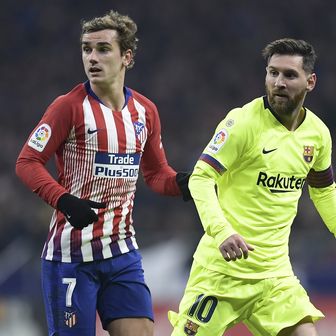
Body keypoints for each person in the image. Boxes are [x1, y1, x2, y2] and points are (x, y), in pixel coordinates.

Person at [16, 9, 190, 336]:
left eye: (102, 49)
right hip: (71, 256)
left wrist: (183, 183)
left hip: (123, 253)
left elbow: (155, 174)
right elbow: (26, 162)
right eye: (86, 49)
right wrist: (64, 201)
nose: (92, 57)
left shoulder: (145, 111)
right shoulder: (67, 107)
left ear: (126, 57)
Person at [169, 38, 336, 336]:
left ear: (310, 82)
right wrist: (222, 232)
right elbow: (201, 177)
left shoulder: (318, 134)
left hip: (275, 277)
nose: (278, 82)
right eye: (273, 73)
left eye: (289, 75)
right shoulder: (242, 123)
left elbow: (323, 191)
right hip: (221, 273)